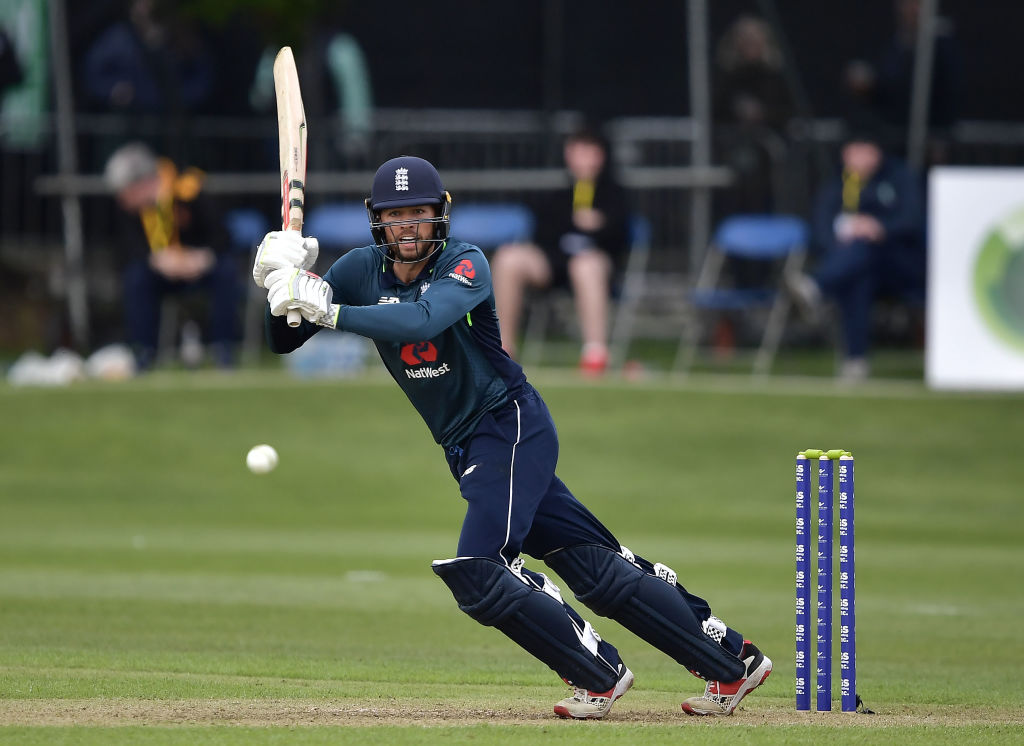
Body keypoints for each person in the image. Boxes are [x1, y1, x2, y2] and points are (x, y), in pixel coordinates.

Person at [252, 155, 772, 719]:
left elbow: (423, 319)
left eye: (419, 214)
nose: (409, 227)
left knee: (480, 567)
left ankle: (597, 674)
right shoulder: (357, 270)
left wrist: (328, 311)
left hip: (509, 424)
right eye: (396, 216)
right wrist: (282, 280)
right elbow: (285, 339)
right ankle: (733, 663)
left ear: (439, 216)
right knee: (591, 567)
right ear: (377, 221)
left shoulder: (466, 262)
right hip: (464, 444)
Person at [786, 126, 926, 381]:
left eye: (864, 152)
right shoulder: (838, 183)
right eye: (852, 152)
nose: (857, 159)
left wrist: (879, 228)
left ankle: (816, 286)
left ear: (877, 153)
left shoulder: (900, 177)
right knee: (858, 275)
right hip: (856, 265)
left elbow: (913, 220)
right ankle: (856, 362)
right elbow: (820, 227)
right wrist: (844, 236)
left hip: (901, 264)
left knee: (863, 247)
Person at [490, 128, 630, 376]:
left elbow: (620, 239)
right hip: (553, 265)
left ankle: (595, 354)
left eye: (590, 152)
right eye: (578, 151)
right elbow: (543, 236)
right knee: (508, 257)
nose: (584, 159)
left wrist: (600, 225)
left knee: (584, 265)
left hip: (593, 268)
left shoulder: (615, 196)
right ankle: (504, 348)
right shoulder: (557, 196)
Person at [105, 141, 241, 370]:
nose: (123, 200)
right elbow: (127, 249)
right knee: (136, 279)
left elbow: (223, 235)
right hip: (162, 271)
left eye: (126, 192)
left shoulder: (188, 188)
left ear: (143, 183)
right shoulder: (129, 210)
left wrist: (200, 257)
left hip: (199, 265)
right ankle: (143, 352)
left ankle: (224, 349)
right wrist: (156, 259)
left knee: (226, 271)